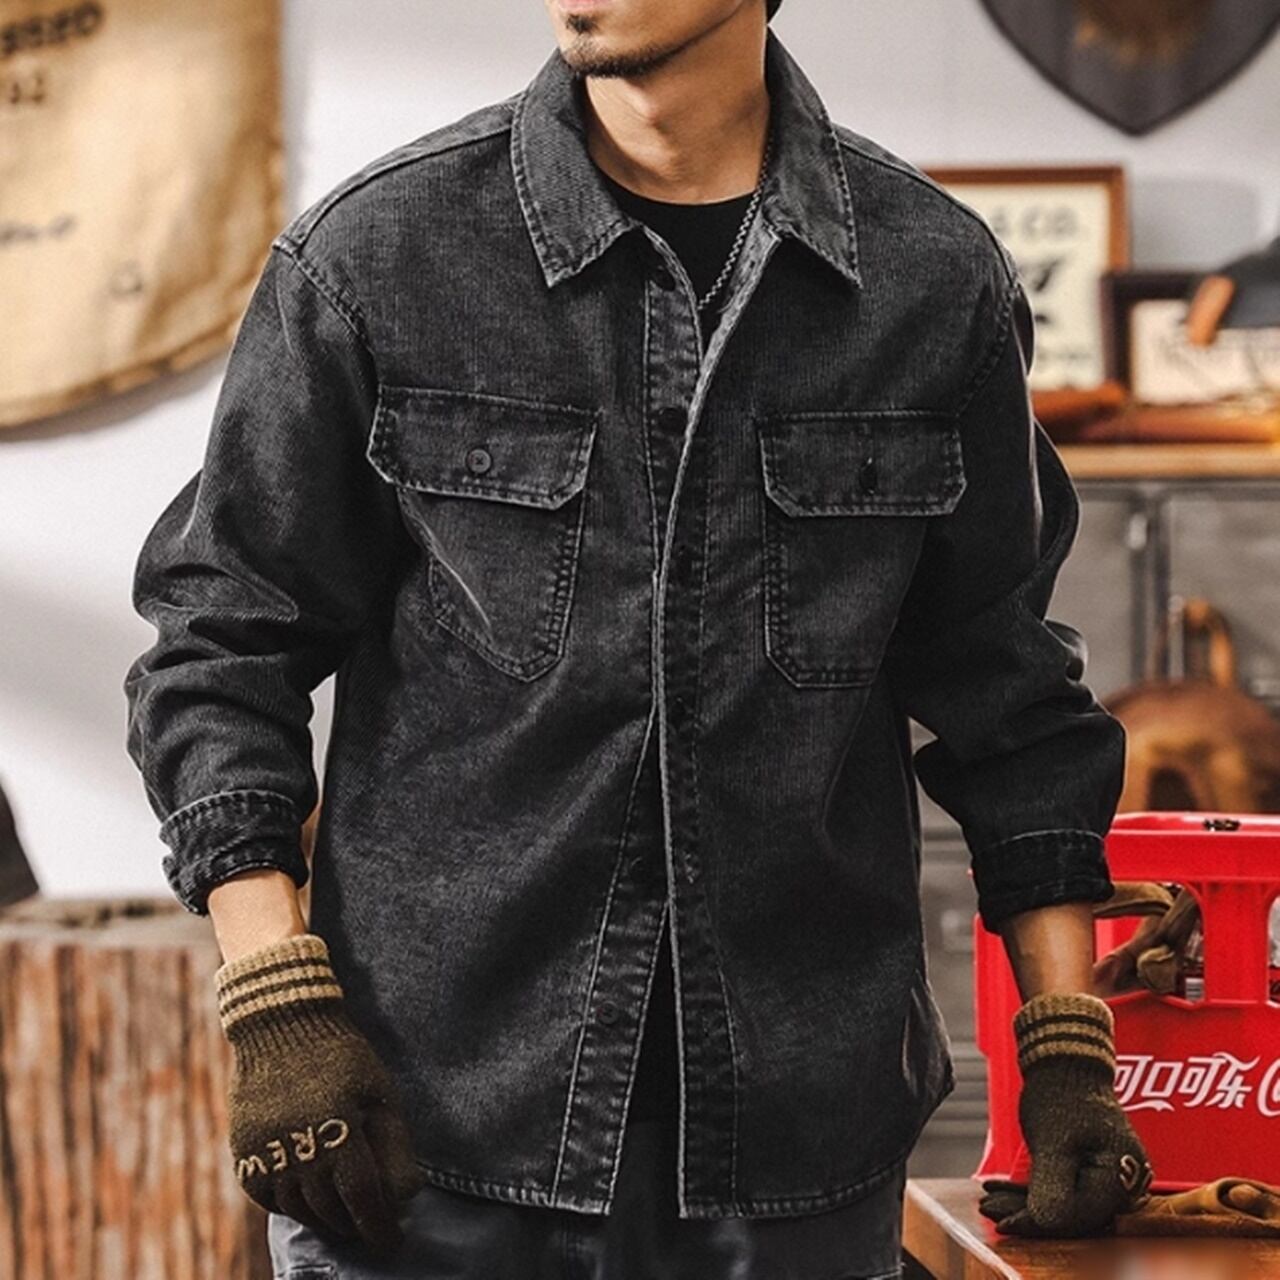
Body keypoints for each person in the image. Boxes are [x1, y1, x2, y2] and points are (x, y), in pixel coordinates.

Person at [123, 1, 1153, 1276]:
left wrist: (1064, 1047)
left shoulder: (929, 281)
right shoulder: (377, 256)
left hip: (796, 1154)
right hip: (434, 1142)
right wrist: (274, 997)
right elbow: (219, 642)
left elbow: (1012, 700)